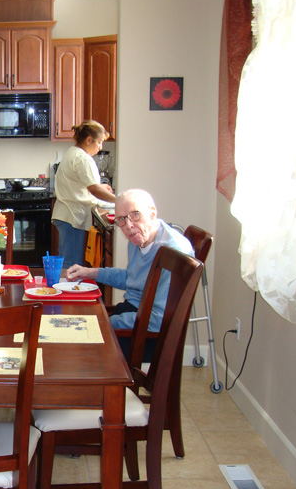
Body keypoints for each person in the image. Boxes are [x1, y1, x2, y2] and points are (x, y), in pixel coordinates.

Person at [64, 189, 193, 338]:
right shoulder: (138, 237)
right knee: (73, 321)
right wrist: (91, 272)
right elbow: (132, 278)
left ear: (152, 213)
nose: (129, 225)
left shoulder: (174, 252)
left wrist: (110, 322)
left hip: (149, 333)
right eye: (122, 219)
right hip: (133, 313)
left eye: (135, 215)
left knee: (80, 339)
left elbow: (159, 321)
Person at [52, 120, 117, 269]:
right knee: (72, 265)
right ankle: (70, 291)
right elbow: (94, 190)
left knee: (66, 263)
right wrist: (119, 200)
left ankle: (65, 290)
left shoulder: (73, 152)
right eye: (99, 143)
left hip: (66, 215)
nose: (100, 147)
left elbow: (80, 183)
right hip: (73, 217)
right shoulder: (83, 158)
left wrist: (101, 187)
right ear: (89, 140)